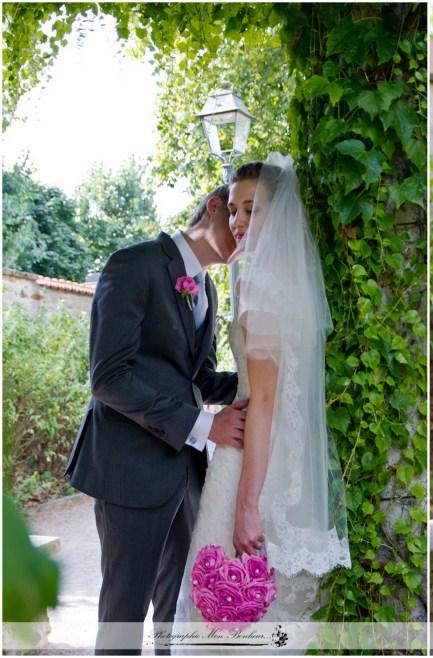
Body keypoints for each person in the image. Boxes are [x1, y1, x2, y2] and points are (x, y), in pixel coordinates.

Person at [172, 153, 351, 639]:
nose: (237, 221)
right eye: (233, 209)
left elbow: (266, 402)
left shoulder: (258, 286)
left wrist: (248, 504)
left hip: (251, 457)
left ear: (282, 215)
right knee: (261, 613)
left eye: (252, 209)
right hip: (282, 451)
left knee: (233, 607)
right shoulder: (289, 287)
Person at [65, 186, 247, 654]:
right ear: (213, 208)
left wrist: (257, 384)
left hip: (183, 474)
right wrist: (206, 427)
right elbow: (109, 378)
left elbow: (197, 377)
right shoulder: (135, 263)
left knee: (176, 610)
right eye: (239, 217)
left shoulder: (206, 288)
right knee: (125, 615)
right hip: (129, 470)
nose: (246, 235)